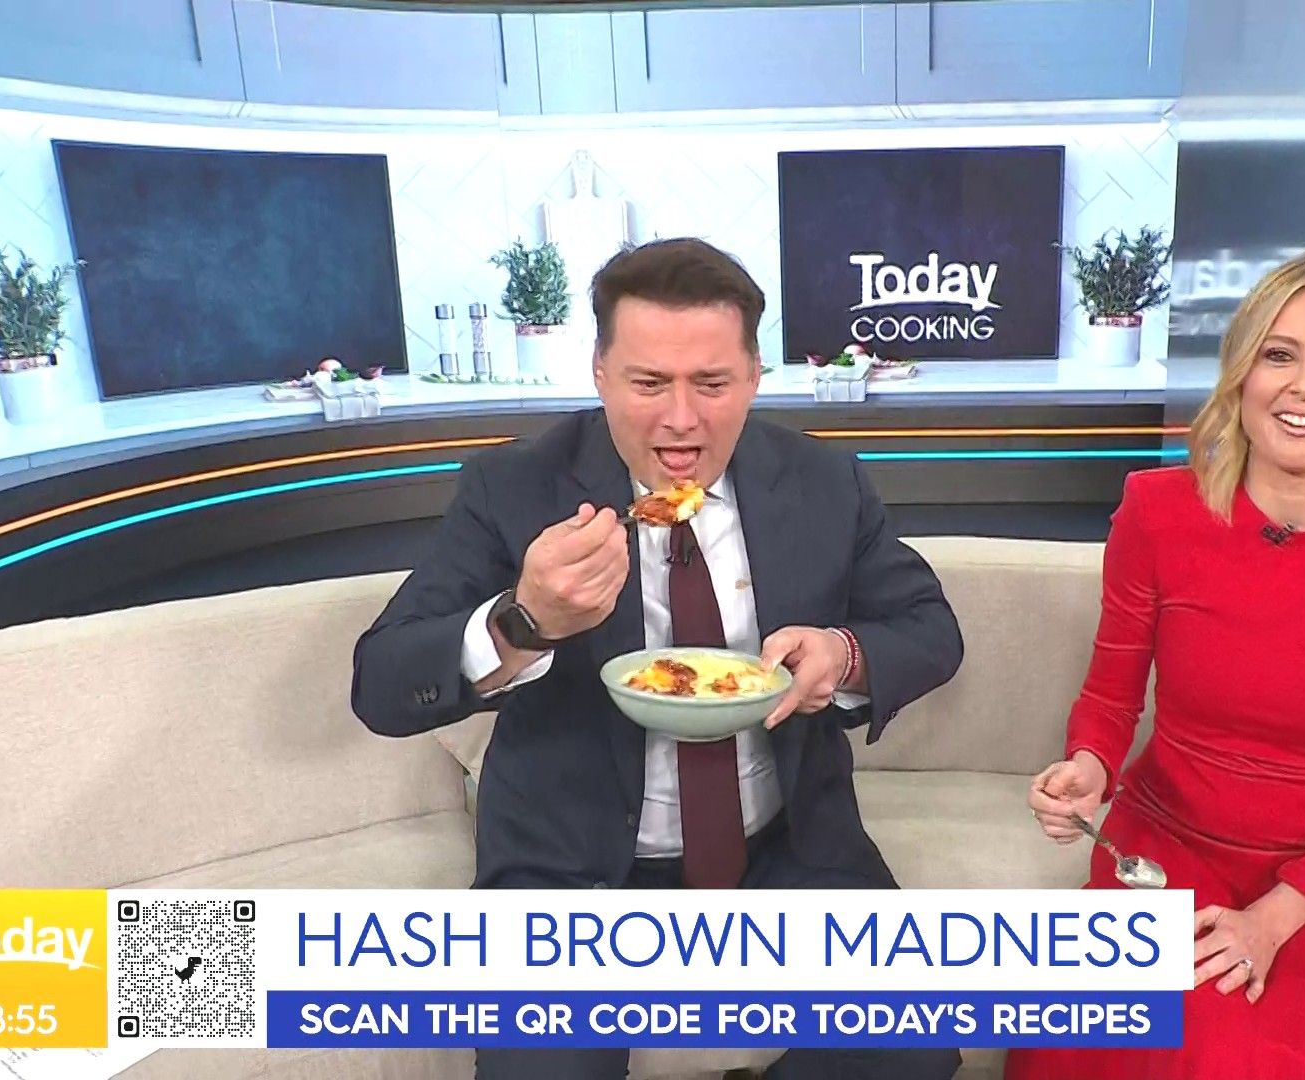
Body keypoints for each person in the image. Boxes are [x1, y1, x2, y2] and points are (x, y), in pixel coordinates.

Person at [350, 238, 965, 1080]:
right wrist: (526, 620)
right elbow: (381, 684)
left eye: (711, 384)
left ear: (754, 376)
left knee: (913, 1049)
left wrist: (843, 654)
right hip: (566, 871)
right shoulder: (513, 487)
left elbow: (929, 628)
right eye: (648, 384)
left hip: (785, 848)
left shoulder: (824, 481)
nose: (681, 420)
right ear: (600, 374)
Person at [1009, 250, 1305, 1080]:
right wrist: (1088, 767)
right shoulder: (1156, 511)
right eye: (1279, 354)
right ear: (1242, 373)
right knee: (1161, 1043)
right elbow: (1111, 697)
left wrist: (1275, 917)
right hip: (1166, 850)